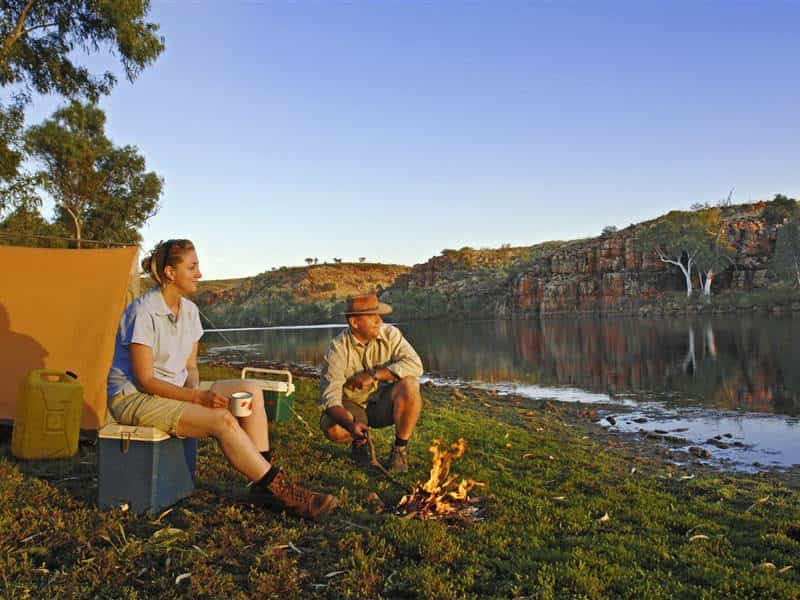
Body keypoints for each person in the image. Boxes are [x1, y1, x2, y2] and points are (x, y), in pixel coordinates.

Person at [106, 239, 337, 520]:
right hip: (135, 398)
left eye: (198, 266)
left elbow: (190, 367)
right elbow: (145, 381)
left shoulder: (189, 311)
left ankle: (260, 481)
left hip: (173, 390)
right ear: (169, 273)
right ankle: (279, 489)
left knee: (250, 389)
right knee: (222, 420)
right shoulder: (143, 312)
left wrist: (192, 391)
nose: (199, 274)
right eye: (192, 267)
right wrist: (197, 400)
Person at [319, 293, 424, 472]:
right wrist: (350, 424)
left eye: (379, 314)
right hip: (353, 407)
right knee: (334, 430)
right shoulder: (337, 349)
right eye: (372, 316)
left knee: (411, 385)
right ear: (354, 323)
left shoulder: (390, 333)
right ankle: (359, 442)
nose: (379, 320)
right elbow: (330, 399)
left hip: (382, 404)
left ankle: (399, 450)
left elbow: (415, 365)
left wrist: (375, 374)